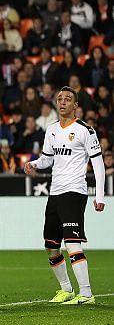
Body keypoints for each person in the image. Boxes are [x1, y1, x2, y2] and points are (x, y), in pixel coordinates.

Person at [24, 86, 106, 305]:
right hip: (55, 193)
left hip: (74, 192)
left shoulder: (85, 130)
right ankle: (66, 289)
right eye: (59, 99)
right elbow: (47, 159)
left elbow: (98, 164)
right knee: (51, 245)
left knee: (72, 243)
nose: (62, 102)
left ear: (75, 105)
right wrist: (34, 164)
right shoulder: (51, 129)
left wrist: (100, 196)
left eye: (67, 99)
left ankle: (87, 294)